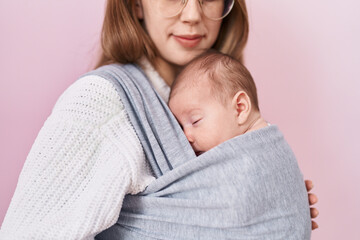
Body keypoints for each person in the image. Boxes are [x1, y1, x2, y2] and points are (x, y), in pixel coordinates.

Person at [0, 0, 318, 239]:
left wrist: (265, 207)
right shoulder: (100, 103)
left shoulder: (222, 110)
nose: (193, 15)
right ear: (136, 4)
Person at [168, 50, 311, 239]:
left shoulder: (260, 152)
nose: (187, 137)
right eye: (180, 127)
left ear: (240, 108)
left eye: (195, 121)